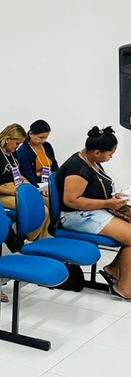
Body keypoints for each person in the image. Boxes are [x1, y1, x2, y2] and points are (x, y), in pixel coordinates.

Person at [57, 126, 131, 300]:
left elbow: (95, 189)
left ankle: (114, 270)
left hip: (93, 211)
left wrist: (114, 199)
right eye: (110, 154)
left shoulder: (92, 161)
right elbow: (71, 201)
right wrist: (107, 203)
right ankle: (124, 287)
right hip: (76, 216)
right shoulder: (77, 167)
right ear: (97, 152)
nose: (111, 157)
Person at [0, 123, 51, 240]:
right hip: (0, 192)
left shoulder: (12, 153)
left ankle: (43, 236)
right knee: (40, 209)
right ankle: (28, 239)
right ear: (7, 139)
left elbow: (18, 175)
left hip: (16, 187)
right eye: (17, 143)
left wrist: (33, 189)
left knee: (48, 202)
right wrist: (15, 193)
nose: (18, 147)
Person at [16, 119, 59, 187]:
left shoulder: (47, 146)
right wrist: (39, 189)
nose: (43, 140)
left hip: (50, 183)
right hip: (37, 185)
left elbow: (55, 167)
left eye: (46, 137)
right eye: (41, 137)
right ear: (31, 134)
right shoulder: (23, 152)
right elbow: (28, 176)